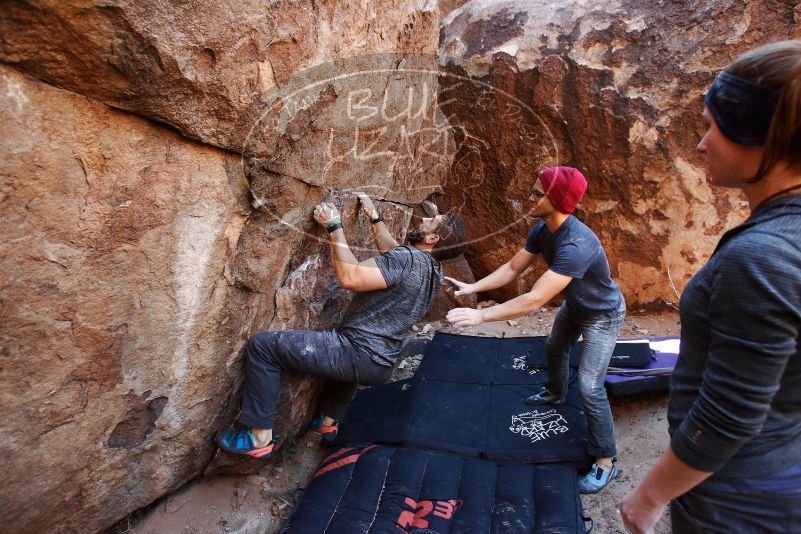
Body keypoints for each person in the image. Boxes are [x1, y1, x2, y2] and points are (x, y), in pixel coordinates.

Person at [620, 40, 801, 533]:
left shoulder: (760, 259)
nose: (701, 145)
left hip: (738, 490)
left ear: (761, 138)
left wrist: (648, 497)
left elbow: (729, 416)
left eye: (710, 127)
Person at [217, 193, 467, 458]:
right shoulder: (433, 271)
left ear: (432, 239)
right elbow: (394, 253)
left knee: (263, 346)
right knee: (351, 365)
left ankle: (259, 438)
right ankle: (328, 424)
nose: (426, 218)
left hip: (357, 353)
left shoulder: (407, 259)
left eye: (433, 221)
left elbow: (351, 277)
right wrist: (376, 219)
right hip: (381, 364)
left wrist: (334, 227)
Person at [446, 166, 626, 494]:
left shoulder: (578, 244)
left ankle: (606, 462)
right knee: (554, 348)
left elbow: (535, 299)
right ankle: (556, 392)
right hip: (575, 306)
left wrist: (481, 317)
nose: (528, 198)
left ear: (555, 199)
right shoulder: (542, 229)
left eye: (536, 193)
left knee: (589, 385)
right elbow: (512, 267)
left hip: (603, 315)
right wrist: (472, 287)